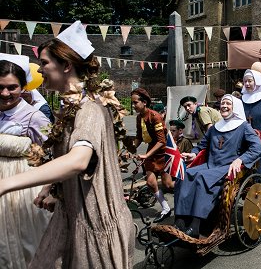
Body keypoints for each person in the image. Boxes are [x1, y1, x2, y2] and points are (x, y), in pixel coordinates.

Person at [0, 21, 134, 267]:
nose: (39, 71)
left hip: (94, 220)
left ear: (66, 66)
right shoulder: (69, 108)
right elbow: (65, 158)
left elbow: (78, 160)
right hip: (71, 213)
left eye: (44, 63)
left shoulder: (90, 109)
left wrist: (6, 184)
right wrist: (50, 188)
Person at [174, 94, 261, 238]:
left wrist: (241, 159)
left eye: (228, 103)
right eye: (222, 103)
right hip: (211, 163)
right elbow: (202, 146)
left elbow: (257, 147)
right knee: (184, 175)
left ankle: (196, 226)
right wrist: (194, 154)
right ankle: (180, 221)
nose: (224, 106)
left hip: (228, 167)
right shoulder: (215, 127)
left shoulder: (243, 126)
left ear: (235, 107)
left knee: (202, 179)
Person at [0, 54, 51, 268]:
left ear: (23, 87)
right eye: (0, 87)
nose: (5, 93)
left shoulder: (34, 117)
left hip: (20, 191)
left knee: (25, 244)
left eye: (12, 87)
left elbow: (53, 155)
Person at [131, 87, 172, 221]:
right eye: (133, 103)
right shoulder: (139, 118)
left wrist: (147, 155)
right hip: (151, 151)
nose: (133, 105)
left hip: (163, 152)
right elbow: (139, 137)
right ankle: (166, 208)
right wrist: (130, 148)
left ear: (144, 102)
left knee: (168, 185)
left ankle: (187, 191)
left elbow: (161, 141)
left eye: (135, 102)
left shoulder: (156, 116)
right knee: (150, 182)